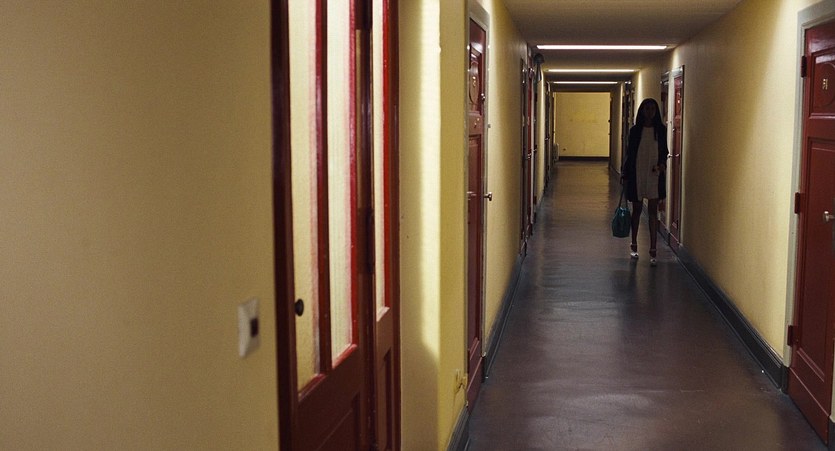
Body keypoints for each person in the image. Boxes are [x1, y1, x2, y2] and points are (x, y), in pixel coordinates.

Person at [622, 98, 669, 266]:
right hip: (637, 173)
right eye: (647, 109)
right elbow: (629, 153)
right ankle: (634, 244)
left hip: (654, 174)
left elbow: (664, 152)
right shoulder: (635, 131)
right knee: (636, 210)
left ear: (656, 112)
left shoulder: (660, 130)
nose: (649, 112)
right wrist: (625, 173)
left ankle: (653, 249)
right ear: (642, 111)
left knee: (653, 212)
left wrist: (662, 165)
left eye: (652, 109)